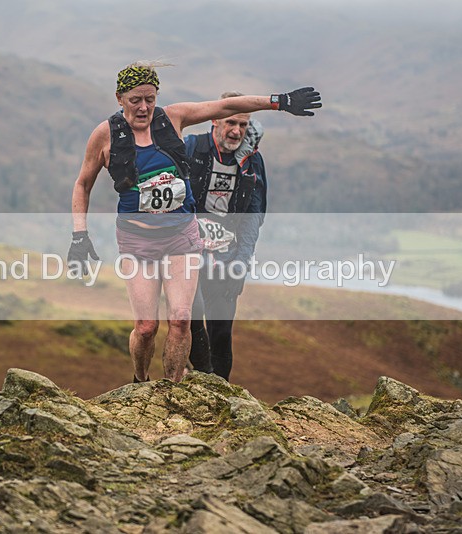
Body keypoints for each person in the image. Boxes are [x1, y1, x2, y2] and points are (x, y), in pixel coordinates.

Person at [67, 61, 320, 384]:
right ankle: (140, 382)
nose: (144, 107)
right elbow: (82, 184)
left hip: (181, 237)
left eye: (150, 98)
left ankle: (172, 388)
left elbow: (226, 105)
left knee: (182, 319)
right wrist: (79, 236)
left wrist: (279, 101)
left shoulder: (173, 118)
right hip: (138, 241)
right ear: (119, 98)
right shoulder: (105, 135)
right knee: (146, 328)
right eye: (135, 100)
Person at [186, 92, 268, 380]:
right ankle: (196, 380)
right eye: (231, 122)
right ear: (214, 120)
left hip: (227, 258)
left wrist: (241, 264)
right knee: (190, 320)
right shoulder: (192, 148)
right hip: (188, 257)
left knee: (221, 333)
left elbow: (253, 219)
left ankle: (221, 395)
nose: (236, 131)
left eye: (243, 125)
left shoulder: (252, 163)